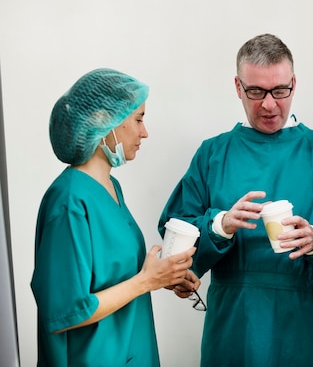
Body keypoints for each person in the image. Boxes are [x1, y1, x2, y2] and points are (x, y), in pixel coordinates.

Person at [158, 33, 313, 367]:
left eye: (280, 91)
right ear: (237, 86)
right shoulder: (213, 155)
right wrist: (219, 225)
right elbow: (176, 234)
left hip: (304, 325)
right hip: (234, 324)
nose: (269, 104)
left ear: (294, 83)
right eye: (256, 91)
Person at [31, 68, 201, 366]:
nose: (144, 132)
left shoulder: (112, 189)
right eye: (138, 119)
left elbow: (117, 277)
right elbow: (65, 312)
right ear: (102, 121)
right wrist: (147, 281)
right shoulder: (69, 201)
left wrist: (163, 276)